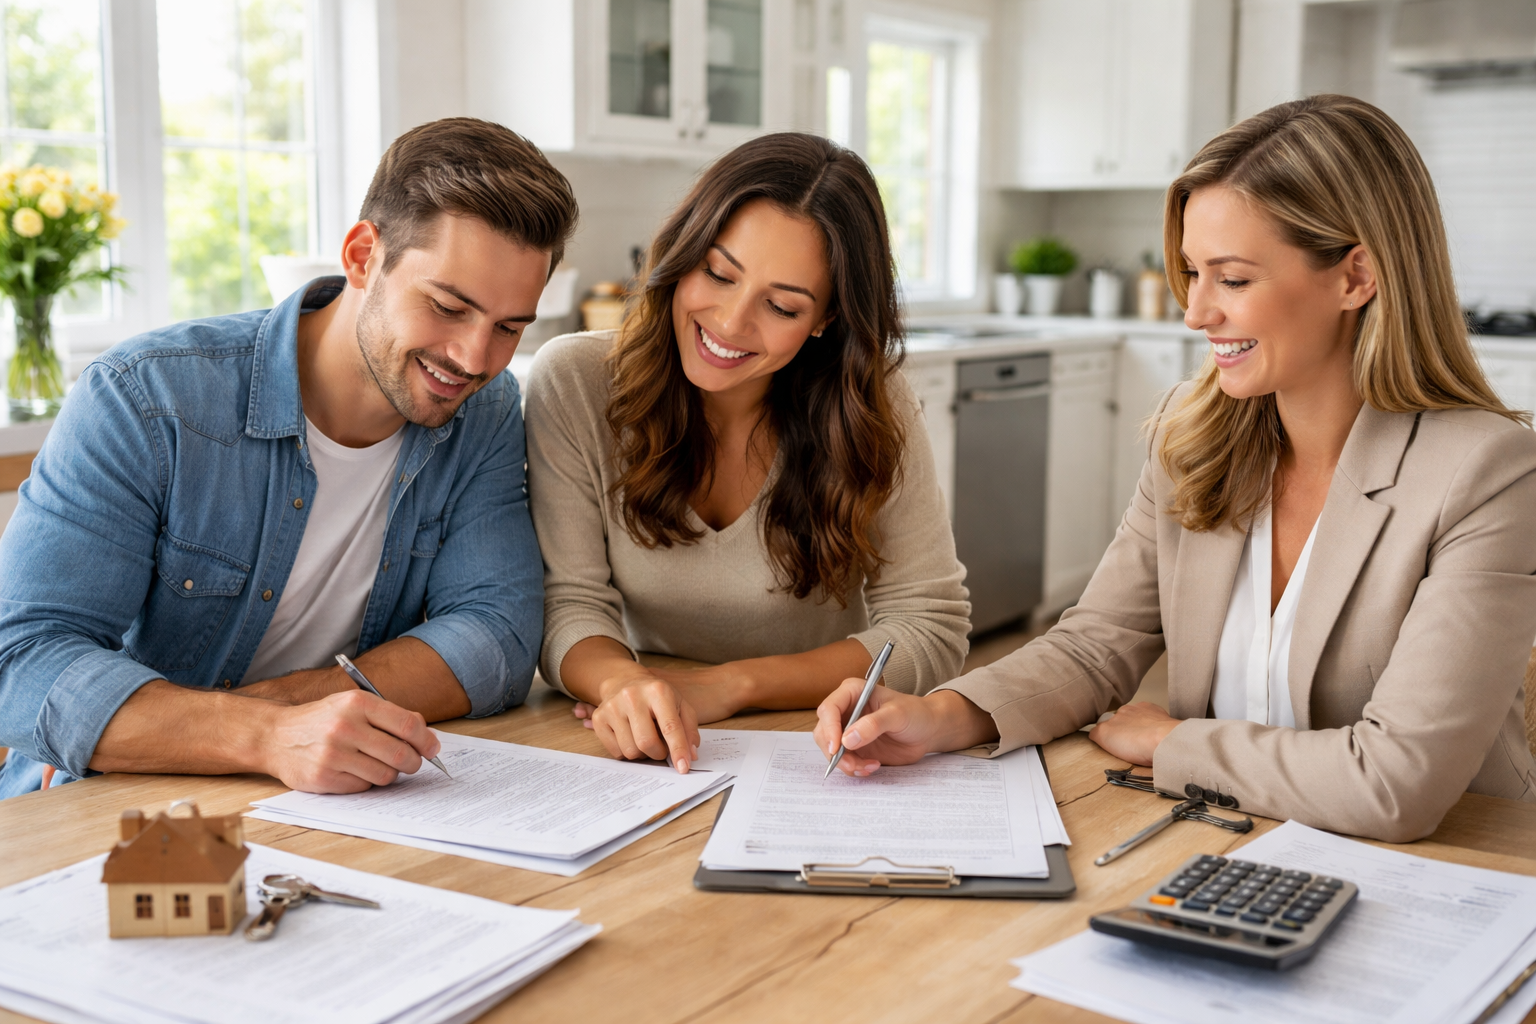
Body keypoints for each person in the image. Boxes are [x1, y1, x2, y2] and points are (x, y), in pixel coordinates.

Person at [814, 95, 1536, 843]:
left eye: (1233, 279)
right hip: (1227, 841)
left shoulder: (1485, 474)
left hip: (1452, 873)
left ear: (1356, 276)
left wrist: (1170, 744)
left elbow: (1396, 786)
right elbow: (1097, 645)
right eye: (1193, 273)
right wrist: (940, 715)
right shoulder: (1195, 442)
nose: (1195, 313)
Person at [0, 117, 579, 798]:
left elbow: (498, 634)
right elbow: (21, 660)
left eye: (509, 327)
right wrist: (265, 734)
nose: (474, 358)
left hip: (328, 798)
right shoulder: (147, 397)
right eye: (449, 307)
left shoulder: (483, 410)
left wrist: (305, 715)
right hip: (113, 803)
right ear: (364, 256)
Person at [525, 132, 969, 773]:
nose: (731, 323)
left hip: (811, 739)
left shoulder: (874, 404)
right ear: (683, 254)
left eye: (782, 305)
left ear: (826, 320)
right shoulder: (574, 381)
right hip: (650, 729)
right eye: (718, 273)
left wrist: (736, 685)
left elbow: (930, 623)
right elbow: (568, 602)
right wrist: (620, 682)